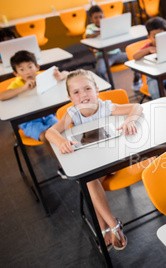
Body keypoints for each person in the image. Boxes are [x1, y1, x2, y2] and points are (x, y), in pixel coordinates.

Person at [46, 69, 143, 250]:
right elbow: (50, 132)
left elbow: (136, 107)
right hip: (93, 164)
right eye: (76, 92)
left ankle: (107, 227)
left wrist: (130, 120)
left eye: (87, 89)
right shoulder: (73, 113)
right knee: (90, 181)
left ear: (96, 90)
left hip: (113, 160)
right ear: (70, 97)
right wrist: (61, 141)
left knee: (89, 182)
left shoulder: (105, 106)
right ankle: (109, 224)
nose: (83, 95)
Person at [0, 50, 69, 177]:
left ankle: (69, 159)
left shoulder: (44, 77)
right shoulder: (17, 84)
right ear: (16, 73)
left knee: (63, 130)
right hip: (29, 122)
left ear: (37, 67)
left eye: (30, 67)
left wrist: (61, 76)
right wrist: (23, 88)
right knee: (46, 136)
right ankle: (63, 165)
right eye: (22, 69)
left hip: (48, 116)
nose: (27, 72)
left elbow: (67, 73)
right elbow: (2, 96)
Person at [85, 5, 140, 87]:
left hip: (117, 54)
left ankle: (137, 80)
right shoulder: (90, 27)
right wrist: (101, 32)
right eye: (95, 17)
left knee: (136, 58)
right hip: (102, 56)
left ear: (104, 15)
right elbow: (87, 36)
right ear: (91, 19)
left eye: (101, 16)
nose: (99, 19)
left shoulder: (108, 24)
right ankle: (107, 88)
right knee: (99, 70)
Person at [132, 16, 166, 99]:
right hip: (153, 78)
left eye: (161, 35)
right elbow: (135, 56)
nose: (158, 38)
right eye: (154, 36)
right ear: (148, 36)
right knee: (157, 95)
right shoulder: (148, 46)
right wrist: (148, 49)